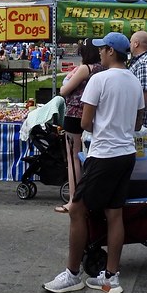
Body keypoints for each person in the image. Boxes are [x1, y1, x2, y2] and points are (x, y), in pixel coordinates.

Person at [43, 32, 144, 293]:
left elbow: (86, 123)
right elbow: (138, 124)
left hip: (103, 154)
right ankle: (111, 276)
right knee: (114, 213)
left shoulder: (98, 79)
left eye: (102, 49)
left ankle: (72, 273)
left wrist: (104, 121)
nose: (98, 52)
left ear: (112, 51)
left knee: (77, 210)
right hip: (126, 153)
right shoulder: (134, 81)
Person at [55, 40, 103, 213]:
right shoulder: (102, 69)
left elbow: (64, 91)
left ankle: (74, 199)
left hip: (75, 115)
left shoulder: (85, 69)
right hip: (95, 115)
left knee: (73, 157)